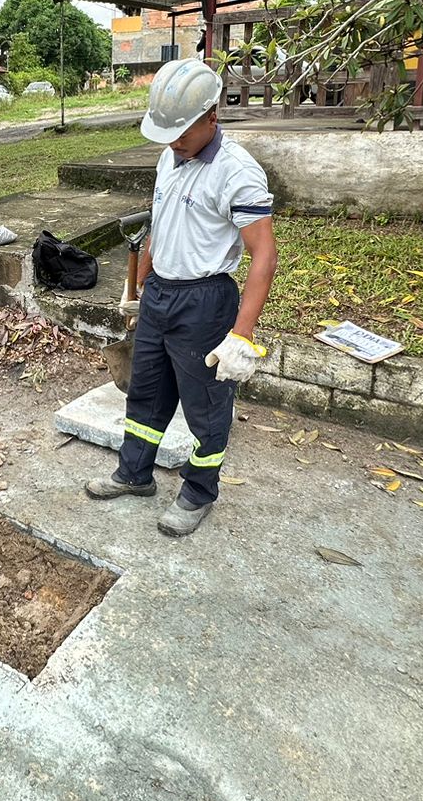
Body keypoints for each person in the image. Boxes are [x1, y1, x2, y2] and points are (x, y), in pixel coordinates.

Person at [84, 58, 278, 537]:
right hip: (160, 296)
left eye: (183, 130)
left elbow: (264, 257)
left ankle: (197, 491)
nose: (174, 140)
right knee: (146, 391)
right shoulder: (168, 157)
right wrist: (139, 287)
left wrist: (241, 336)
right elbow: (160, 224)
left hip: (204, 301)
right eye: (166, 131)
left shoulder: (237, 173)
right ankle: (134, 473)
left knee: (205, 405)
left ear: (212, 115)